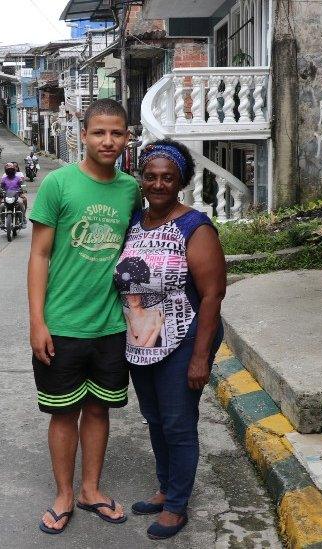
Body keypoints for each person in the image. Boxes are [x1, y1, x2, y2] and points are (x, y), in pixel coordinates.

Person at [28, 98, 141, 535]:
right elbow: (39, 256)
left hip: (112, 325)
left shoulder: (130, 189)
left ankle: (91, 489)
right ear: (83, 135)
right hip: (63, 324)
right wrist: (38, 321)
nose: (108, 141)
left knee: (98, 410)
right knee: (63, 413)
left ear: (127, 137)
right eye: (99, 132)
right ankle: (63, 494)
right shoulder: (58, 184)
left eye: (116, 133)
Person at [113, 140, 227, 540]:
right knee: (156, 420)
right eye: (151, 176)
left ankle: (177, 505)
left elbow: (212, 295)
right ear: (141, 179)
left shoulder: (194, 226)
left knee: (178, 424)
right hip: (142, 340)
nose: (158, 184)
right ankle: (165, 489)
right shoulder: (135, 224)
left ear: (180, 182)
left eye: (168, 178)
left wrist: (201, 358)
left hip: (184, 339)